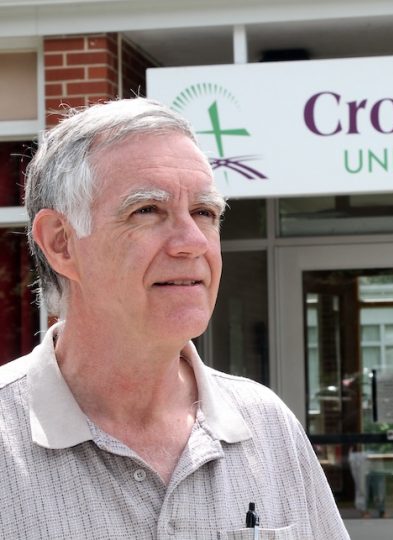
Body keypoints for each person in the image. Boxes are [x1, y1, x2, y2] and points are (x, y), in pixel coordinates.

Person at [0, 98, 350, 539]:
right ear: (61, 243)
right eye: (147, 211)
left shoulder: (267, 425)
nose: (191, 242)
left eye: (205, 213)